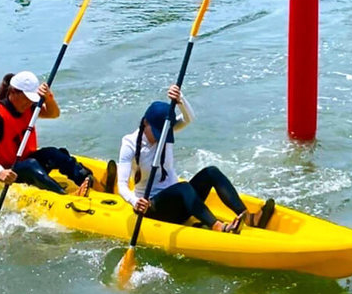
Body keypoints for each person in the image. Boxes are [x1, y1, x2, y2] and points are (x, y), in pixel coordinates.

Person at [117, 85, 275, 233]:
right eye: (157, 133)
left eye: (163, 134)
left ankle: (249, 217)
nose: (161, 138)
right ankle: (218, 227)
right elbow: (122, 185)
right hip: (153, 208)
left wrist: (180, 100)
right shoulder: (129, 144)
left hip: (181, 204)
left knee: (211, 172)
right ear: (145, 122)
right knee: (183, 187)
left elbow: (188, 119)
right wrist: (135, 201)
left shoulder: (166, 132)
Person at [0, 71, 98, 196]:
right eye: (26, 99)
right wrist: (0, 171)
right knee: (31, 166)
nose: (29, 103)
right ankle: (63, 196)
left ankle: (87, 179)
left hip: (26, 159)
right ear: (13, 92)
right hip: (5, 169)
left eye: (31, 99)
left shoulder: (29, 107)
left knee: (53, 153)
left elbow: (53, 114)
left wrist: (49, 98)